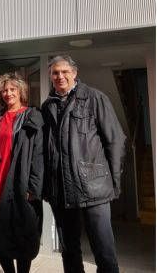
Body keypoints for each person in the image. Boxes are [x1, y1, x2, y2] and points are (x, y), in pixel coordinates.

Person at [41, 55, 126, 273]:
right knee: (69, 251)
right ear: (50, 76)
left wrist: (114, 181)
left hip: (94, 187)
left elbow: (115, 140)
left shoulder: (95, 98)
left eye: (64, 72)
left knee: (104, 251)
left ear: (74, 73)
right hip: (60, 190)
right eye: (55, 73)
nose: (60, 76)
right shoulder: (48, 105)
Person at [0, 73, 44, 273]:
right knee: (0, 233)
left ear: (21, 91)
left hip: (18, 182)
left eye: (12, 89)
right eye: (4, 90)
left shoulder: (32, 116)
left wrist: (34, 185)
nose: (8, 93)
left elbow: (39, 154)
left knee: (22, 232)